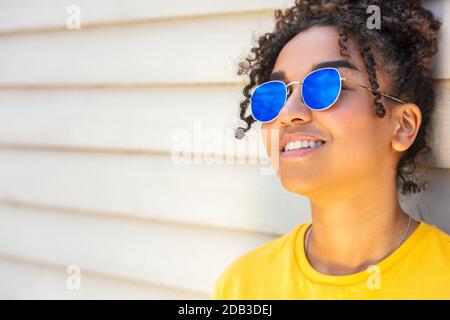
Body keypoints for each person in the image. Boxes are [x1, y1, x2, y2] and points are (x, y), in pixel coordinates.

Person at [211, 0, 450, 299]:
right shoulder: (242, 286)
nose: (288, 112)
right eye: (274, 94)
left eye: (325, 86)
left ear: (402, 126)